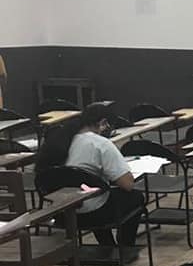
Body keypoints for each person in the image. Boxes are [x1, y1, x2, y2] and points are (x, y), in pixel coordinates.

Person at [35, 103, 145, 247]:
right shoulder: (101, 144)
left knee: (96, 191)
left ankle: (107, 246)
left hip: (62, 214)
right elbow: (127, 184)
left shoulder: (61, 141)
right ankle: (125, 247)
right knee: (134, 197)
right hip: (94, 214)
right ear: (103, 123)